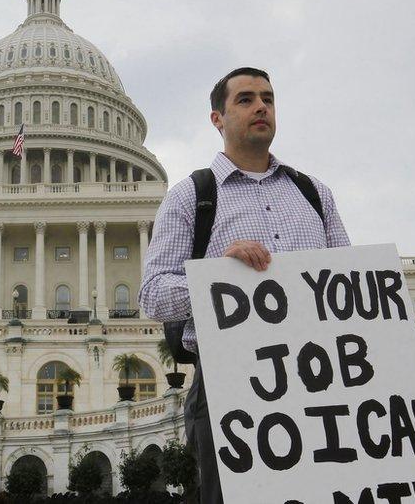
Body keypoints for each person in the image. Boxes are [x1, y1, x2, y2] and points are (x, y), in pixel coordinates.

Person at [139, 67, 350, 503]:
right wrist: (219, 275)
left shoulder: (315, 194)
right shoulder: (190, 196)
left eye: (268, 99)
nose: (261, 107)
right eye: (246, 99)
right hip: (228, 382)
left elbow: (346, 286)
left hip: (320, 378)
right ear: (217, 118)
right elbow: (153, 296)